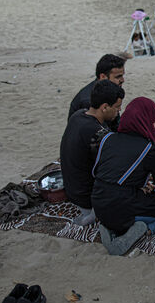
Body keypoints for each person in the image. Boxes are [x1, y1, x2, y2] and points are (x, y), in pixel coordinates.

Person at [91, 97, 155, 255]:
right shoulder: (149, 150)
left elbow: (106, 173)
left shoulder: (108, 139)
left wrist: (139, 187)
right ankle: (143, 229)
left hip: (98, 202)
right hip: (122, 208)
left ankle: (108, 225)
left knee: (153, 192)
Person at [60, 80, 124, 226]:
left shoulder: (78, 115)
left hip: (71, 189)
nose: (118, 111)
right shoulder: (98, 134)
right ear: (105, 107)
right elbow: (112, 171)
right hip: (86, 198)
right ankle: (94, 215)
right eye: (117, 107)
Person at [69, 54, 126, 121]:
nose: (122, 80)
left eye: (122, 76)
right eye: (117, 77)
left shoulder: (108, 91)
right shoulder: (89, 101)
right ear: (103, 77)